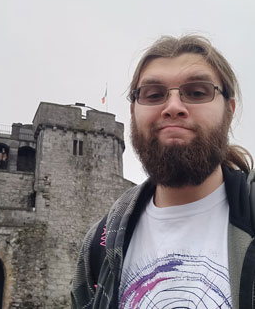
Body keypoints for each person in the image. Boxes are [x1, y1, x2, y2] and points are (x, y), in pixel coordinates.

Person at [71, 35, 255, 309]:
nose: (173, 107)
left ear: (229, 110)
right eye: (154, 95)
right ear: (133, 112)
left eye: (196, 92)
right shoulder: (98, 246)